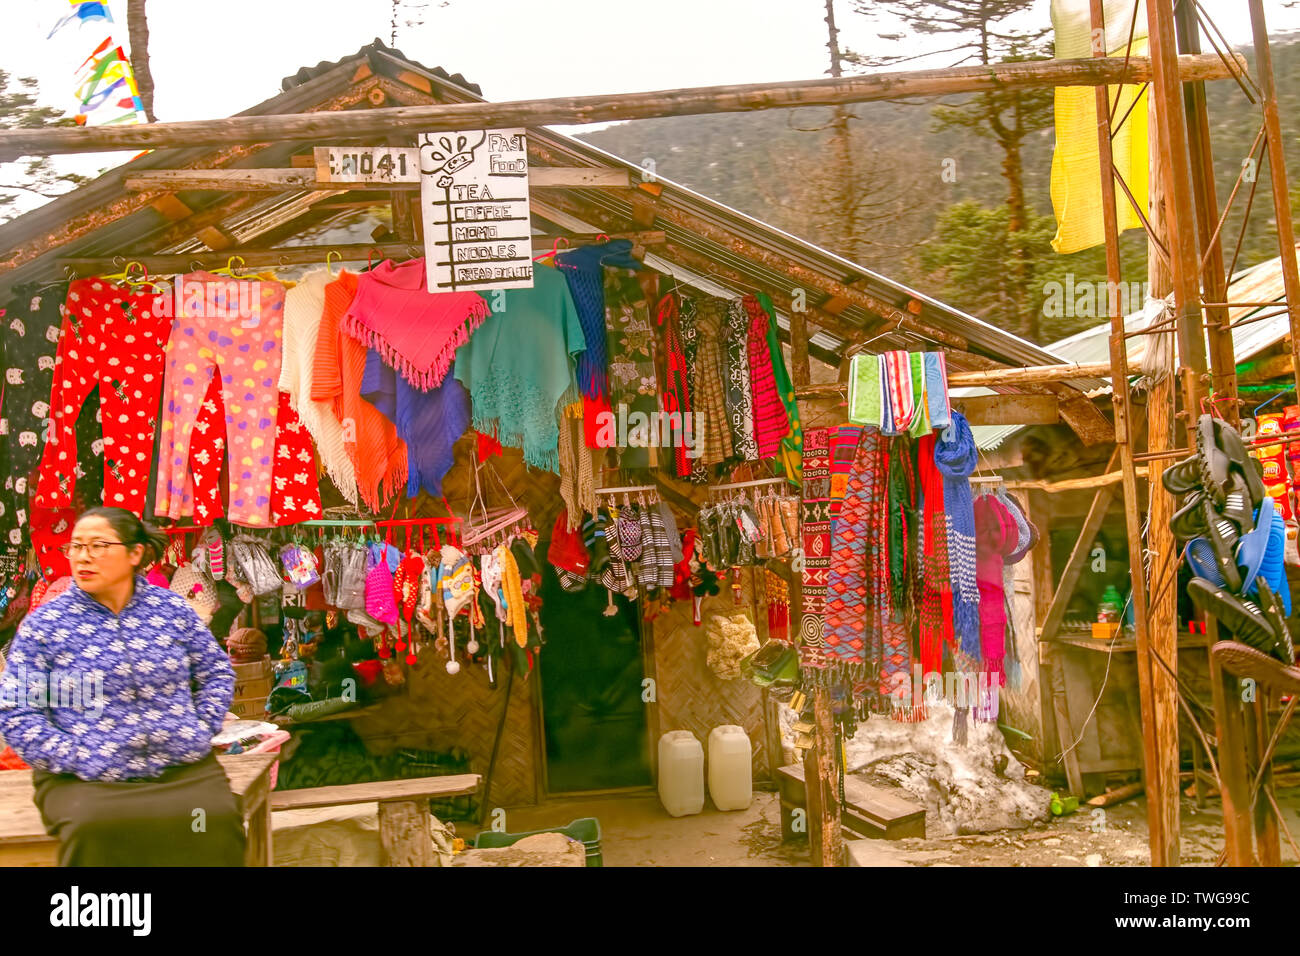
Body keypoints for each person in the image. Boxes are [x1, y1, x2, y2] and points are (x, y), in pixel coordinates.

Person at [0, 507, 244, 866]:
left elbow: (216, 673)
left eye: (99, 545)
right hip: (84, 779)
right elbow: (18, 711)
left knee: (213, 821)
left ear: (135, 554)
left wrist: (196, 728)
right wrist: (77, 755)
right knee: (99, 829)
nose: (84, 556)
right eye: (76, 546)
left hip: (178, 767)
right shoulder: (47, 626)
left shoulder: (171, 611)